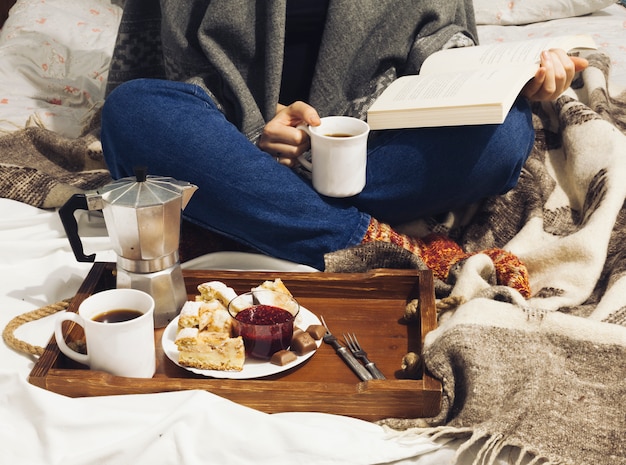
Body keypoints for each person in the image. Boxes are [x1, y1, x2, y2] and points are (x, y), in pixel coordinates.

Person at [101, 0, 587, 298]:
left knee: (505, 131)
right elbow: (174, 67)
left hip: (377, 143)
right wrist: (253, 126)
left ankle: (260, 206)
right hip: (240, 139)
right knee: (133, 113)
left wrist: (520, 76)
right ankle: (372, 244)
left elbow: (443, 46)